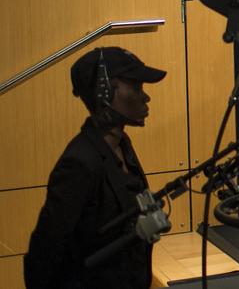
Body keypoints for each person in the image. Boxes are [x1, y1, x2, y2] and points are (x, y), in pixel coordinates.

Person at [26, 46, 167, 288]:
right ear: (104, 92)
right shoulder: (79, 162)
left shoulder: (122, 144)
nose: (146, 97)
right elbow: (45, 252)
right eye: (136, 87)